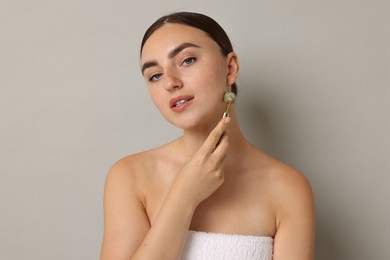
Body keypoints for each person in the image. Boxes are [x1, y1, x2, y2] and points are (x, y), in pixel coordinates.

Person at [100, 11, 315, 260]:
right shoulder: (130, 176)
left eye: (187, 60)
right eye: (155, 75)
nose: (170, 82)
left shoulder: (288, 188)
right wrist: (184, 195)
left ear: (230, 67)